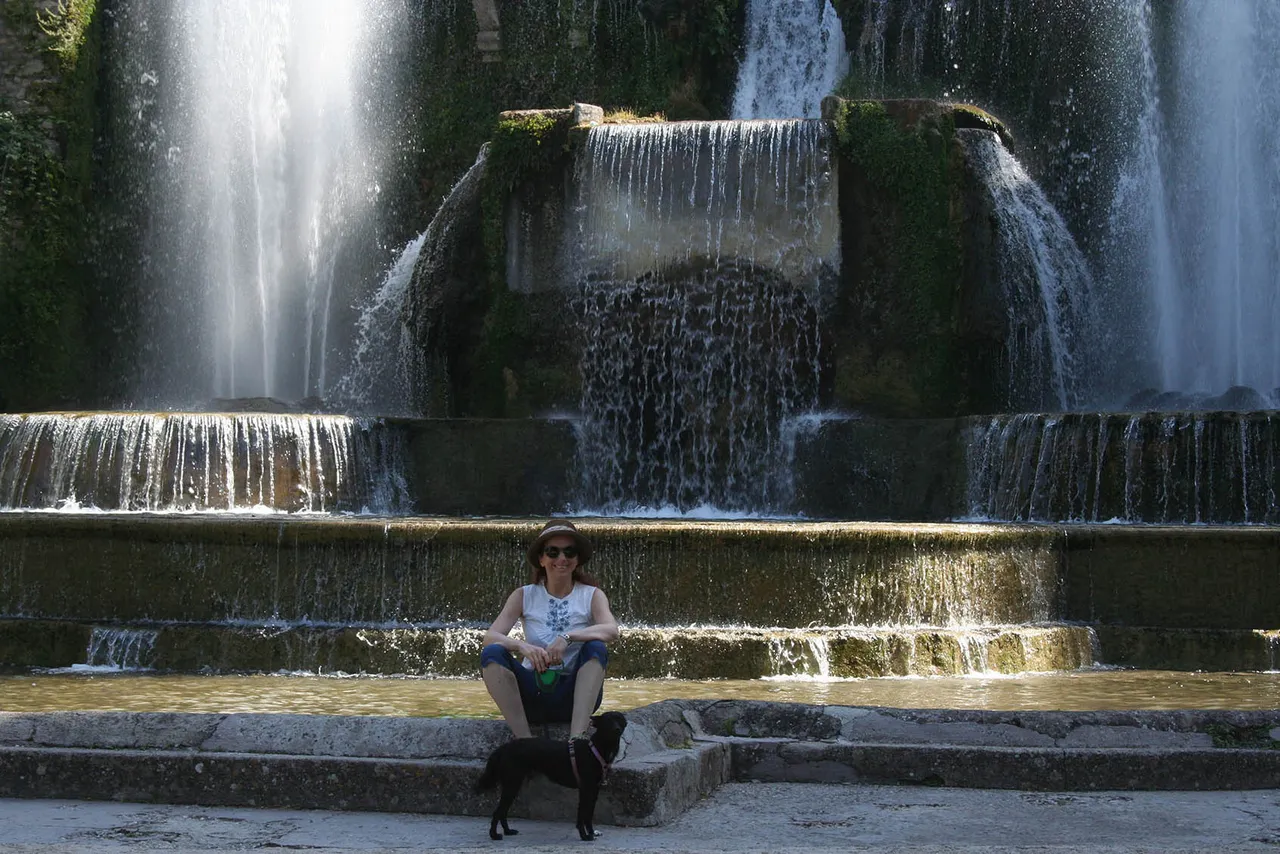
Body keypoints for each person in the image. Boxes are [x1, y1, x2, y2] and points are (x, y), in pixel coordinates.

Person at [480, 520, 619, 739]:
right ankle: (525, 742)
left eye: (569, 552)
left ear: (577, 559)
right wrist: (522, 646)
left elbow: (611, 631)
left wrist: (568, 637)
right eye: (552, 552)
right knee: (492, 653)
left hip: (573, 697)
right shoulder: (523, 595)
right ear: (541, 559)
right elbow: (490, 636)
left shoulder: (592, 595)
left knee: (596, 647)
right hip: (532, 693)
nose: (561, 559)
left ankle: (577, 740)